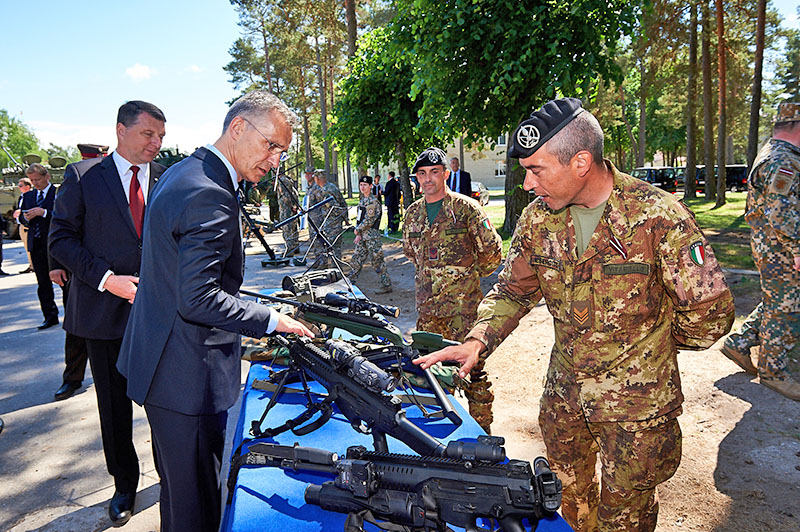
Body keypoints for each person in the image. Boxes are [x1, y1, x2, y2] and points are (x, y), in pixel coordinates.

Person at [415, 98, 735, 532]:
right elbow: (513, 290)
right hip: (564, 397)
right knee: (564, 503)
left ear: (581, 162)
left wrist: (649, 345)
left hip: (637, 411)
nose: (527, 184)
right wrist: (477, 340)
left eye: (537, 170)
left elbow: (709, 315)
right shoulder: (537, 220)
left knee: (625, 518)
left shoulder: (657, 216)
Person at [117, 90, 313, 532]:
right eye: (272, 145)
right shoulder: (210, 192)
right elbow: (198, 297)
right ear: (239, 128)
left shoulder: (183, 172)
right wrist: (270, 319)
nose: (276, 159)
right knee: (196, 507)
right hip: (186, 376)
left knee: (181, 494)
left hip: (163, 366)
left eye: (281, 150)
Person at [49, 100, 168, 526]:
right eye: (148, 134)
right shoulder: (83, 177)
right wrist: (107, 279)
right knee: (114, 409)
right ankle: (125, 487)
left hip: (159, 316)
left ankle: (171, 481)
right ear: (121, 130)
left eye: (161, 137)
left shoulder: (168, 178)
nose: (156, 144)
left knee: (165, 406)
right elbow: (60, 240)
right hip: (103, 314)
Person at [403, 146, 502, 433]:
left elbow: (492, 253)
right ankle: (440, 432)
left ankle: (484, 435)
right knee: (429, 375)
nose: (428, 179)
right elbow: (412, 254)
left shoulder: (466, 209)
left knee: (474, 374)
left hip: (463, 312)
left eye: (434, 172)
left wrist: (464, 282)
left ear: (446, 173)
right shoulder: (412, 214)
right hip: (428, 312)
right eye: (422, 174)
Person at [721, 101, 800, 401]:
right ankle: (774, 371)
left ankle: (740, 342)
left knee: (778, 299)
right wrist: (797, 248)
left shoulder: (775, 153)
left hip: (772, 245)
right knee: (787, 306)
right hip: (780, 246)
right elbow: (782, 212)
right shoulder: (784, 161)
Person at [19, 163, 59, 329]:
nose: (35, 183)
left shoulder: (58, 193)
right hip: (36, 244)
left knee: (65, 282)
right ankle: (49, 315)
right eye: (32, 180)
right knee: (43, 283)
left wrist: (43, 213)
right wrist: (26, 217)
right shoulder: (29, 196)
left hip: (55, 245)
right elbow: (20, 218)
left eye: (38, 179)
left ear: (47, 176)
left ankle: (72, 317)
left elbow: (64, 216)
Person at [49, 261, 89, 401]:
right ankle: (73, 377)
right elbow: (55, 238)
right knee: (77, 324)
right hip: (83, 264)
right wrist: (55, 265)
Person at [351, 175, 392, 294]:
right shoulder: (362, 201)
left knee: (377, 261)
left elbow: (369, 221)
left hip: (372, 237)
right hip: (362, 236)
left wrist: (358, 230)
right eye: (361, 185)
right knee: (356, 259)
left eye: (365, 185)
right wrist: (358, 232)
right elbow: (359, 219)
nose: (362, 187)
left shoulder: (373, 202)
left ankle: (386, 285)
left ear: (370, 186)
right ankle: (350, 283)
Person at [307, 169, 348, 268]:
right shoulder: (325, 188)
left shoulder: (327, 190)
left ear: (317, 179)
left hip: (333, 222)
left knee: (334, 246)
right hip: (329, 221)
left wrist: (340, 218)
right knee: (328, 245)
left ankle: (336, 270)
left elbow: (336, 207)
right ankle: (329, 267)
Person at [13, 177, 35, 273]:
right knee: (27, 247)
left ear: (27, 186)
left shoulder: (32, 196)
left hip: (28, 225)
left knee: (31, 246)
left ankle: (34, 265)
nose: (19, 187)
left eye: (21, 185)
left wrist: (21, 212)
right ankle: (31, 264)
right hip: (21, 224)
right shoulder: (22, 196)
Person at [277, 172, 300, 255]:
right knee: (293, 228)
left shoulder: (282, 181)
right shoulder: (289, 181)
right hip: (291, 208)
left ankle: (290, 249)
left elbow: (286, 196)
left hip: (286, 209)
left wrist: (290, 206)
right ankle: (295, 247)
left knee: (287, 229)